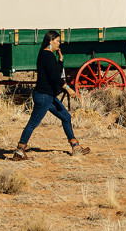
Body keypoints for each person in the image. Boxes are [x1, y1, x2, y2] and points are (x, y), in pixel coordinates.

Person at [13, 30, 90, 160]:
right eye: (57, 41)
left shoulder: (49, 55)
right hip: (44, 97)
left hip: (48, 96)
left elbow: (57, 72)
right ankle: (19, 151)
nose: (59, 44)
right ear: (50, 41)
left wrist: (60, 60)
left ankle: (75, 147)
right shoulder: (46, 55)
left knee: (66, 117)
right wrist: (68, 88)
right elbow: (55, 77)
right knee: (32, 123)